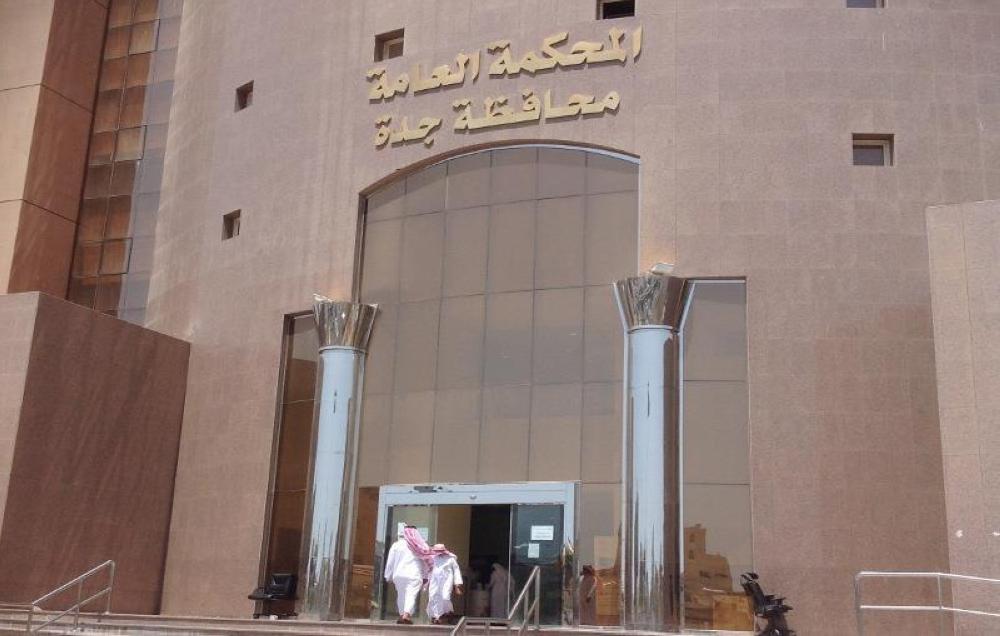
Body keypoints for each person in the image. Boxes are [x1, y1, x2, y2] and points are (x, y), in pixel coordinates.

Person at [384, 526, 432, 624]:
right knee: (411, 594)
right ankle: (406, 614)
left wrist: (388, 575)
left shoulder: (396, 545)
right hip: (414, 574)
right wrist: (425, 576)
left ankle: (402, 615)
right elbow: (426, 561)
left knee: (401, 595)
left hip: (398, 575)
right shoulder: (420, 545)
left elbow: (390, 561)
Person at [426, 543, 464, 624]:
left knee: (445, 597)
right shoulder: (433, 558)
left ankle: (449, 611)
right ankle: (436, 616)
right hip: (435, 580)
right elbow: (429, 570)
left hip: (447, 580)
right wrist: (426, 581)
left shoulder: (451, 559)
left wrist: (457, 585)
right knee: (433, 597)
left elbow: (456, 571)